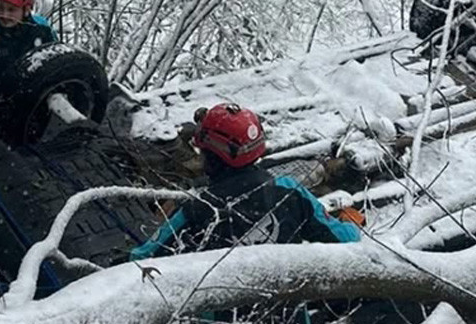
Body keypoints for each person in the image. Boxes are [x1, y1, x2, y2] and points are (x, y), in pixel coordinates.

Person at [131, 102, 360, 260]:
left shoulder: (196, 210)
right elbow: (345, 239)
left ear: (212, 153)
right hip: (293, 323)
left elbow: (141, 260)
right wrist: (349, 224)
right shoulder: (290, 192)